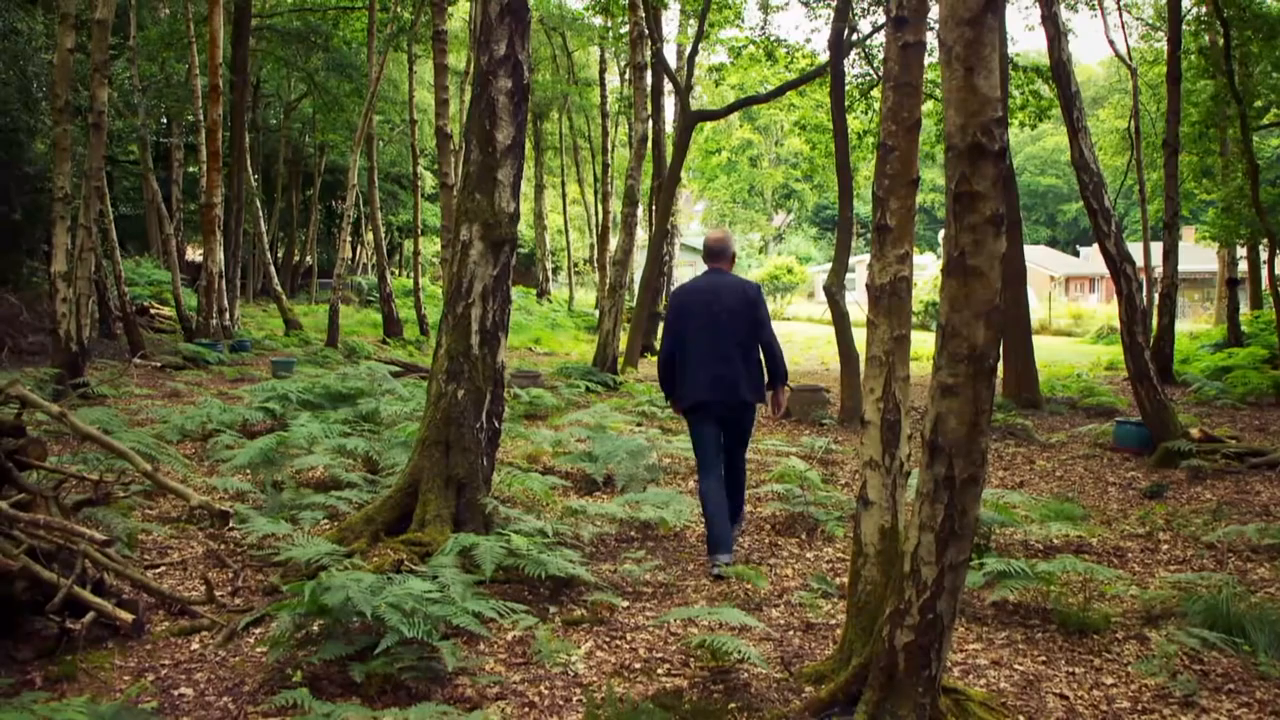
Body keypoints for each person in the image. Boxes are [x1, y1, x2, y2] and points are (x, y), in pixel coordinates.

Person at [657, 229, 789, 579]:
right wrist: (778, 383)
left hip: (698, 396)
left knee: (709, 469)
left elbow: (667, 350)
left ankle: (720, 548)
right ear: (733, 258)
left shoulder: (682, 296)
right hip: (741, 394)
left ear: (703, 258)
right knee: (735, 458)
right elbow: (768, 340)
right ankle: (730, 523)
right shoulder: (749, 292)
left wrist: (671, 392)